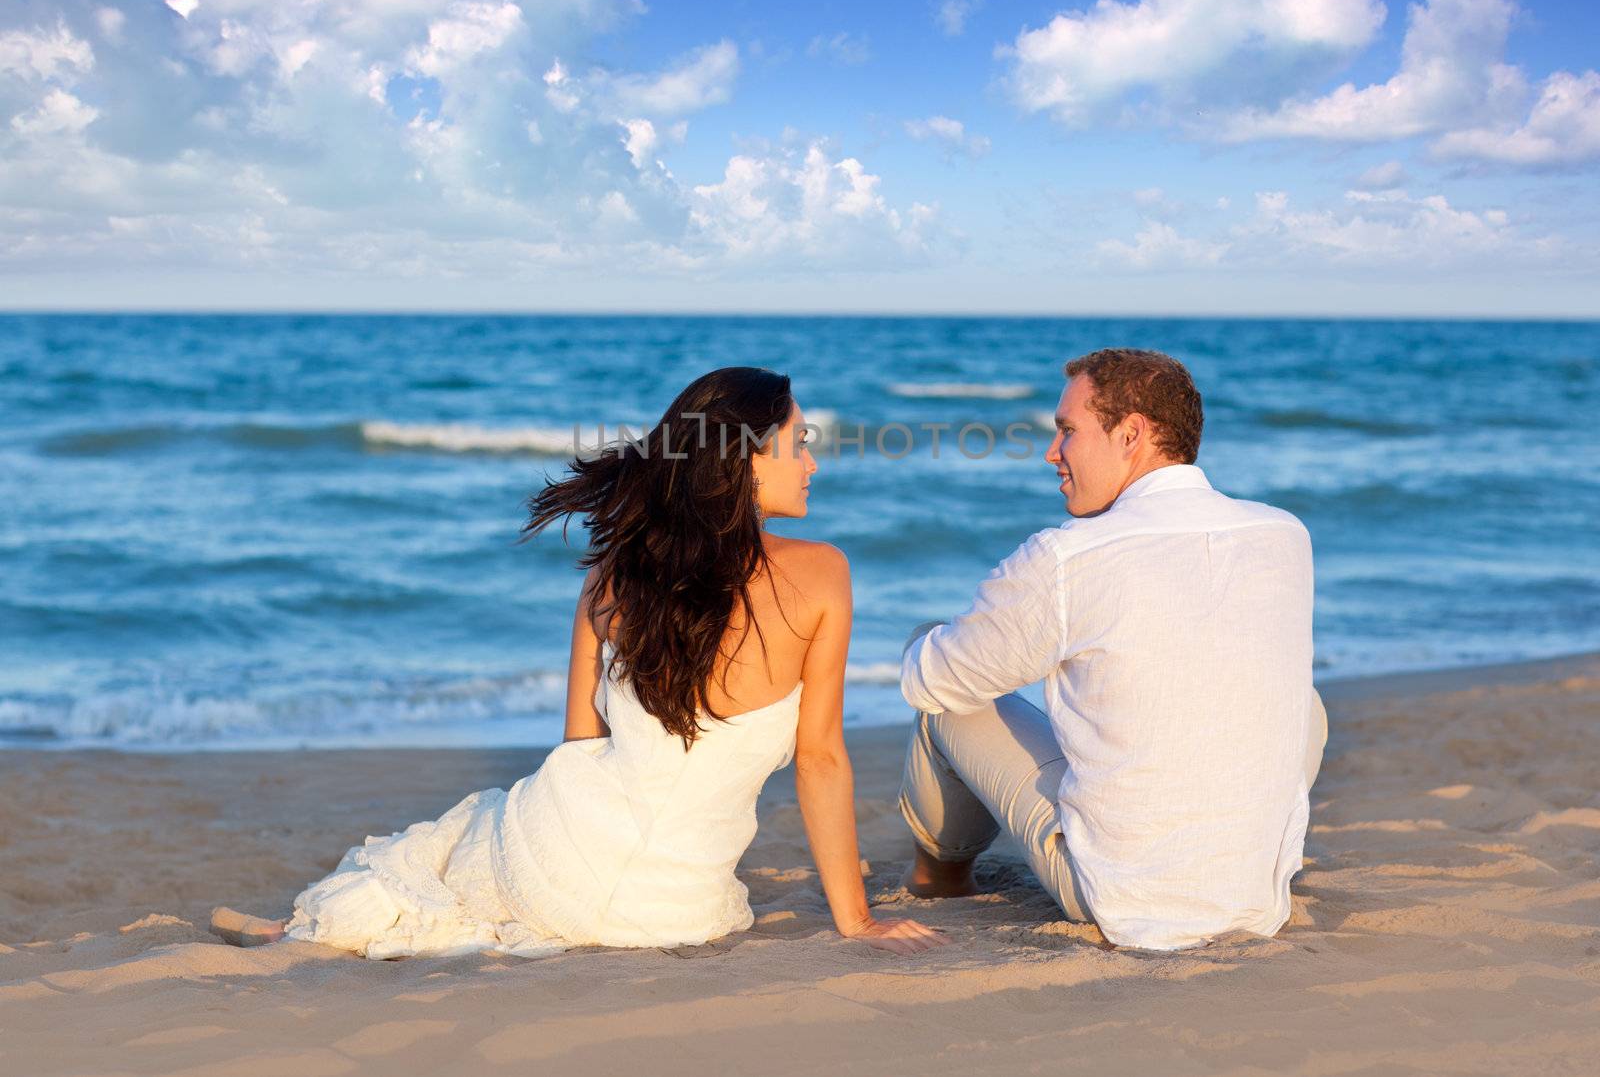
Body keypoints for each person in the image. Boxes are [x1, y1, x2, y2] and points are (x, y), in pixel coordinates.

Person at [212, 367, 945, 958]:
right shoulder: (825, 575)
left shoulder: (614, 575)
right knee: (457, 849)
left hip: (557, 856)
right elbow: (819, 758)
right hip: (676, 908)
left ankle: (295, 931)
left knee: (447, 847)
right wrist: (855, 920)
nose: (813, 460)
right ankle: (302, 931)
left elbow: (579, 746)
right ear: (745, 459)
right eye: (799, 441)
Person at [897, 348, 1327, 951]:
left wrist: (941, 645)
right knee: (1302, 702)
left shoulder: (1070, 556)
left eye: (1067, 432)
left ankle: (939, 880)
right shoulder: (1284, 534)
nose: (1052, 453)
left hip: (1125, 899)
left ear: (1131, 435)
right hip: (1255, 898)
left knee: (938, 672)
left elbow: (935, 682)